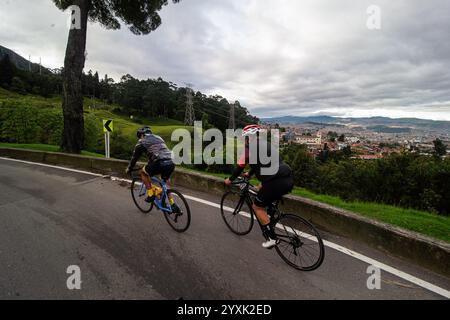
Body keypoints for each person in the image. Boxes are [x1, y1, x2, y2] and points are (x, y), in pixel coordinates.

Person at [224, 124, 294, 249]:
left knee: (257, 207)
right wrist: (250, 173)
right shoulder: (266, 144)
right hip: (287, 178)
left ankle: (272, 238)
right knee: (264, 191)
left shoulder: (248, 148)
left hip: (274, 182)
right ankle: (271, 220)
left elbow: (239, 167)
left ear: (247, 137)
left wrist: (230, 180)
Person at [126, 126, 175, 204]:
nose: (139, 138)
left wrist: (129, 168)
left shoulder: (141, 142)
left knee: (143, 172)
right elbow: (159, 151)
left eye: (139, 136)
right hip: (171, 162)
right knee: (165, 182)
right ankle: (172, 203)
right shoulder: (159, 138)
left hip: (159, 163)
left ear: (142, 135)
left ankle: (150, 194)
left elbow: (134, 158)